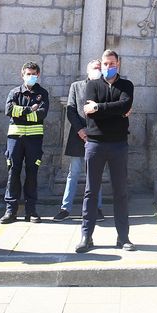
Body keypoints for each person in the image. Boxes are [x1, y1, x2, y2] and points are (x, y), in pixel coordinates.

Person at [76, 48, 134, 253]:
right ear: (101, 65)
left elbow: (125, 104)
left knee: (121, 192)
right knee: (90, 191)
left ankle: (123, 237)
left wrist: (99, 108)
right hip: (95, 144)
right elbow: (89, 115)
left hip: (118, 144)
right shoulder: (92, 85)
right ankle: (86, 236)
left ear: (118, 63)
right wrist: (116, 111)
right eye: (106, 64)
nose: (109, 67)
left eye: (113, 63)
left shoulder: (127, 85)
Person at [0, 61, 50, 224]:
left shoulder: (42, 93)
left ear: (38, 75)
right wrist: (30, 110)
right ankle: (10, 211)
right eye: (28, 74)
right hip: (15, 139)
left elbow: (42, 114)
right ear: (22, 75)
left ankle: (31, 211)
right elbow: (9, 111)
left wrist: (20, 112)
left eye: (34, 74)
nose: (31, 76)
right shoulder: (14, 92)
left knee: (32, 173)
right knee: (13, 172)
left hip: (34, 140)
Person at [56, 60, 103, 221]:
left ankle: (97, 208)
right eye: (94, 68)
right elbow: (71, 110)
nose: (97, 70)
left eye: (99, 68)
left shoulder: (105, 87)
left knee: (95, 173)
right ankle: (65, 208)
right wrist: (81, 131)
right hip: (78, 135)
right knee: (73, 173)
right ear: (87, 70)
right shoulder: (76, 86)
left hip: (98, 135)